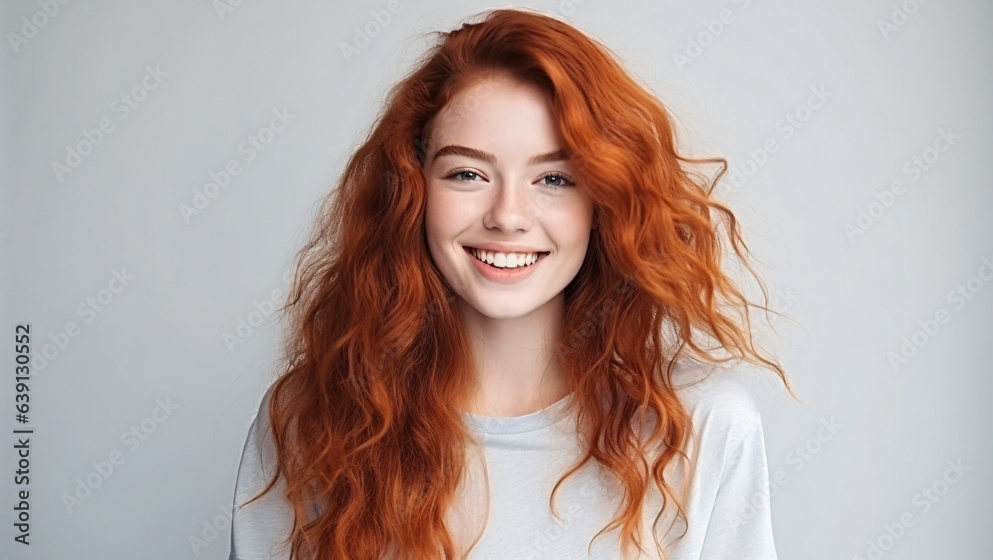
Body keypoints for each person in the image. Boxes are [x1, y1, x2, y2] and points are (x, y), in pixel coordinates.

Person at [228, 7, 801, 560]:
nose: (507, 215)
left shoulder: (701, 427)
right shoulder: (310, 421)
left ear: (602, 201)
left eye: (554, 177)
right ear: (412, 192)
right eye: (468, 174)